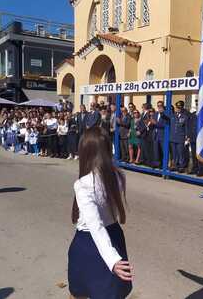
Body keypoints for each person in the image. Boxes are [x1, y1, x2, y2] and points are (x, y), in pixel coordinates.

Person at [68, 127, 133, 299]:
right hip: (114, 236)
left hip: (88, 243)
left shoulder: (83, 183)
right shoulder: (119, 175)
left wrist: (112, 261)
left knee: (80, 293)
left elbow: (95, 225)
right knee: (111, 293)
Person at [169, 101, 189, 172]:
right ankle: (175, 165)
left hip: (180, 137)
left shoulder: (185, 117)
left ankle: (181, 166)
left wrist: (187, 136)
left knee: (180, 153)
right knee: (174, 153)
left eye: (179, 108)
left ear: (182, 108)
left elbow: (186, 127)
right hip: (173, 137)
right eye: (177, 108)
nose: (178, 109)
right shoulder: (172, 115)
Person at [151, 101, 168, 169]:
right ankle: (157, 163)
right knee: (156, 150)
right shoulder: (155, 114)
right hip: (155, 134)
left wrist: (155, 123)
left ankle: (164, 165)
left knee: (163, 150)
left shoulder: (165, 114)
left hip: (162, 134)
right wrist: (152, 123)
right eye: (158, 106)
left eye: (160, 105)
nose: (159, 107)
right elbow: (153, 122)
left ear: (163, 106)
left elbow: (164, 125)